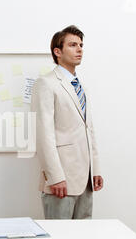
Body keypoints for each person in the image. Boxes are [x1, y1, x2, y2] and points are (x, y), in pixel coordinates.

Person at [31, 25, 104, 219]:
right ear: (57, 51)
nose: (80, 49)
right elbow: (43, 135)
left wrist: (95, 170)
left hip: (85, 180)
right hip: (61, 180)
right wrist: (55, 177)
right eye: (73, 45)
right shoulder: (46, 84)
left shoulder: (81, 87)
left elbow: (89, 131)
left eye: (81, 45)